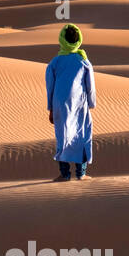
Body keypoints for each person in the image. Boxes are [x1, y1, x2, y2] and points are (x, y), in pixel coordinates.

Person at [45, 23, 95, 181]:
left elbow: (50, 87)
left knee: (63, 136)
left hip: (60, 105)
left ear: (62, 40)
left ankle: (65, 174)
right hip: (80, 104)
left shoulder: (55, 62)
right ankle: (81, 173)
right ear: (78, 40)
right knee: (82, 135)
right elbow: (90, 86)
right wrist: (92, 103)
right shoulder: (83, 61)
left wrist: (51, 108)